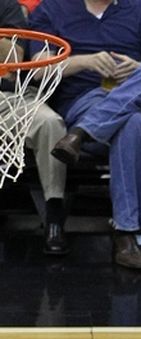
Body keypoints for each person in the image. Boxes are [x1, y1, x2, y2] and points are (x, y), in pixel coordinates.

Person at [29, 0, 141, 269]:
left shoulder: (139, 10)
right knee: (131, 121)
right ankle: (125, 235)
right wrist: (84, 62)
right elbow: (37, 70)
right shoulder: (52, 9)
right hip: (83, 101)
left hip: (134, 94)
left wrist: (136, 68)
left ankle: (80, 135)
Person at [1, 0, 70, 255]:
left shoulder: (7, 7)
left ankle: (54, 216)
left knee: (50, 123)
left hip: (9, 98)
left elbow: (10, 59)